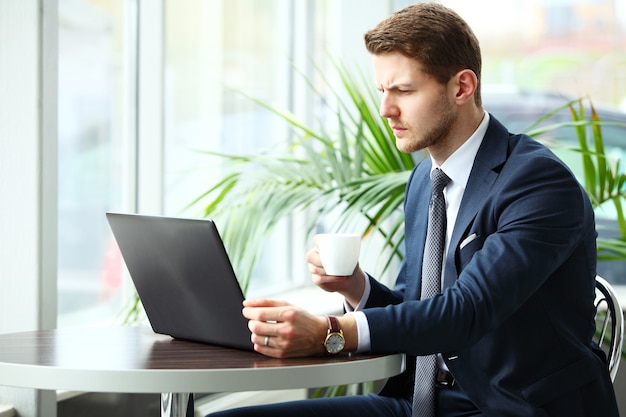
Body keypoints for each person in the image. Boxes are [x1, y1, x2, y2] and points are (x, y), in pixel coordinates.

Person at [206, 2, 620, 416]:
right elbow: (417, 310)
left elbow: (466, 311)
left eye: (403, 91)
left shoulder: (538, 183)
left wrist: (331, 332)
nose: (386, 110)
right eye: (382, 92)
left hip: (511, 408)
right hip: (418, 402)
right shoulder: (425, 182)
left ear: (461, 87)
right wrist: (355, 287)